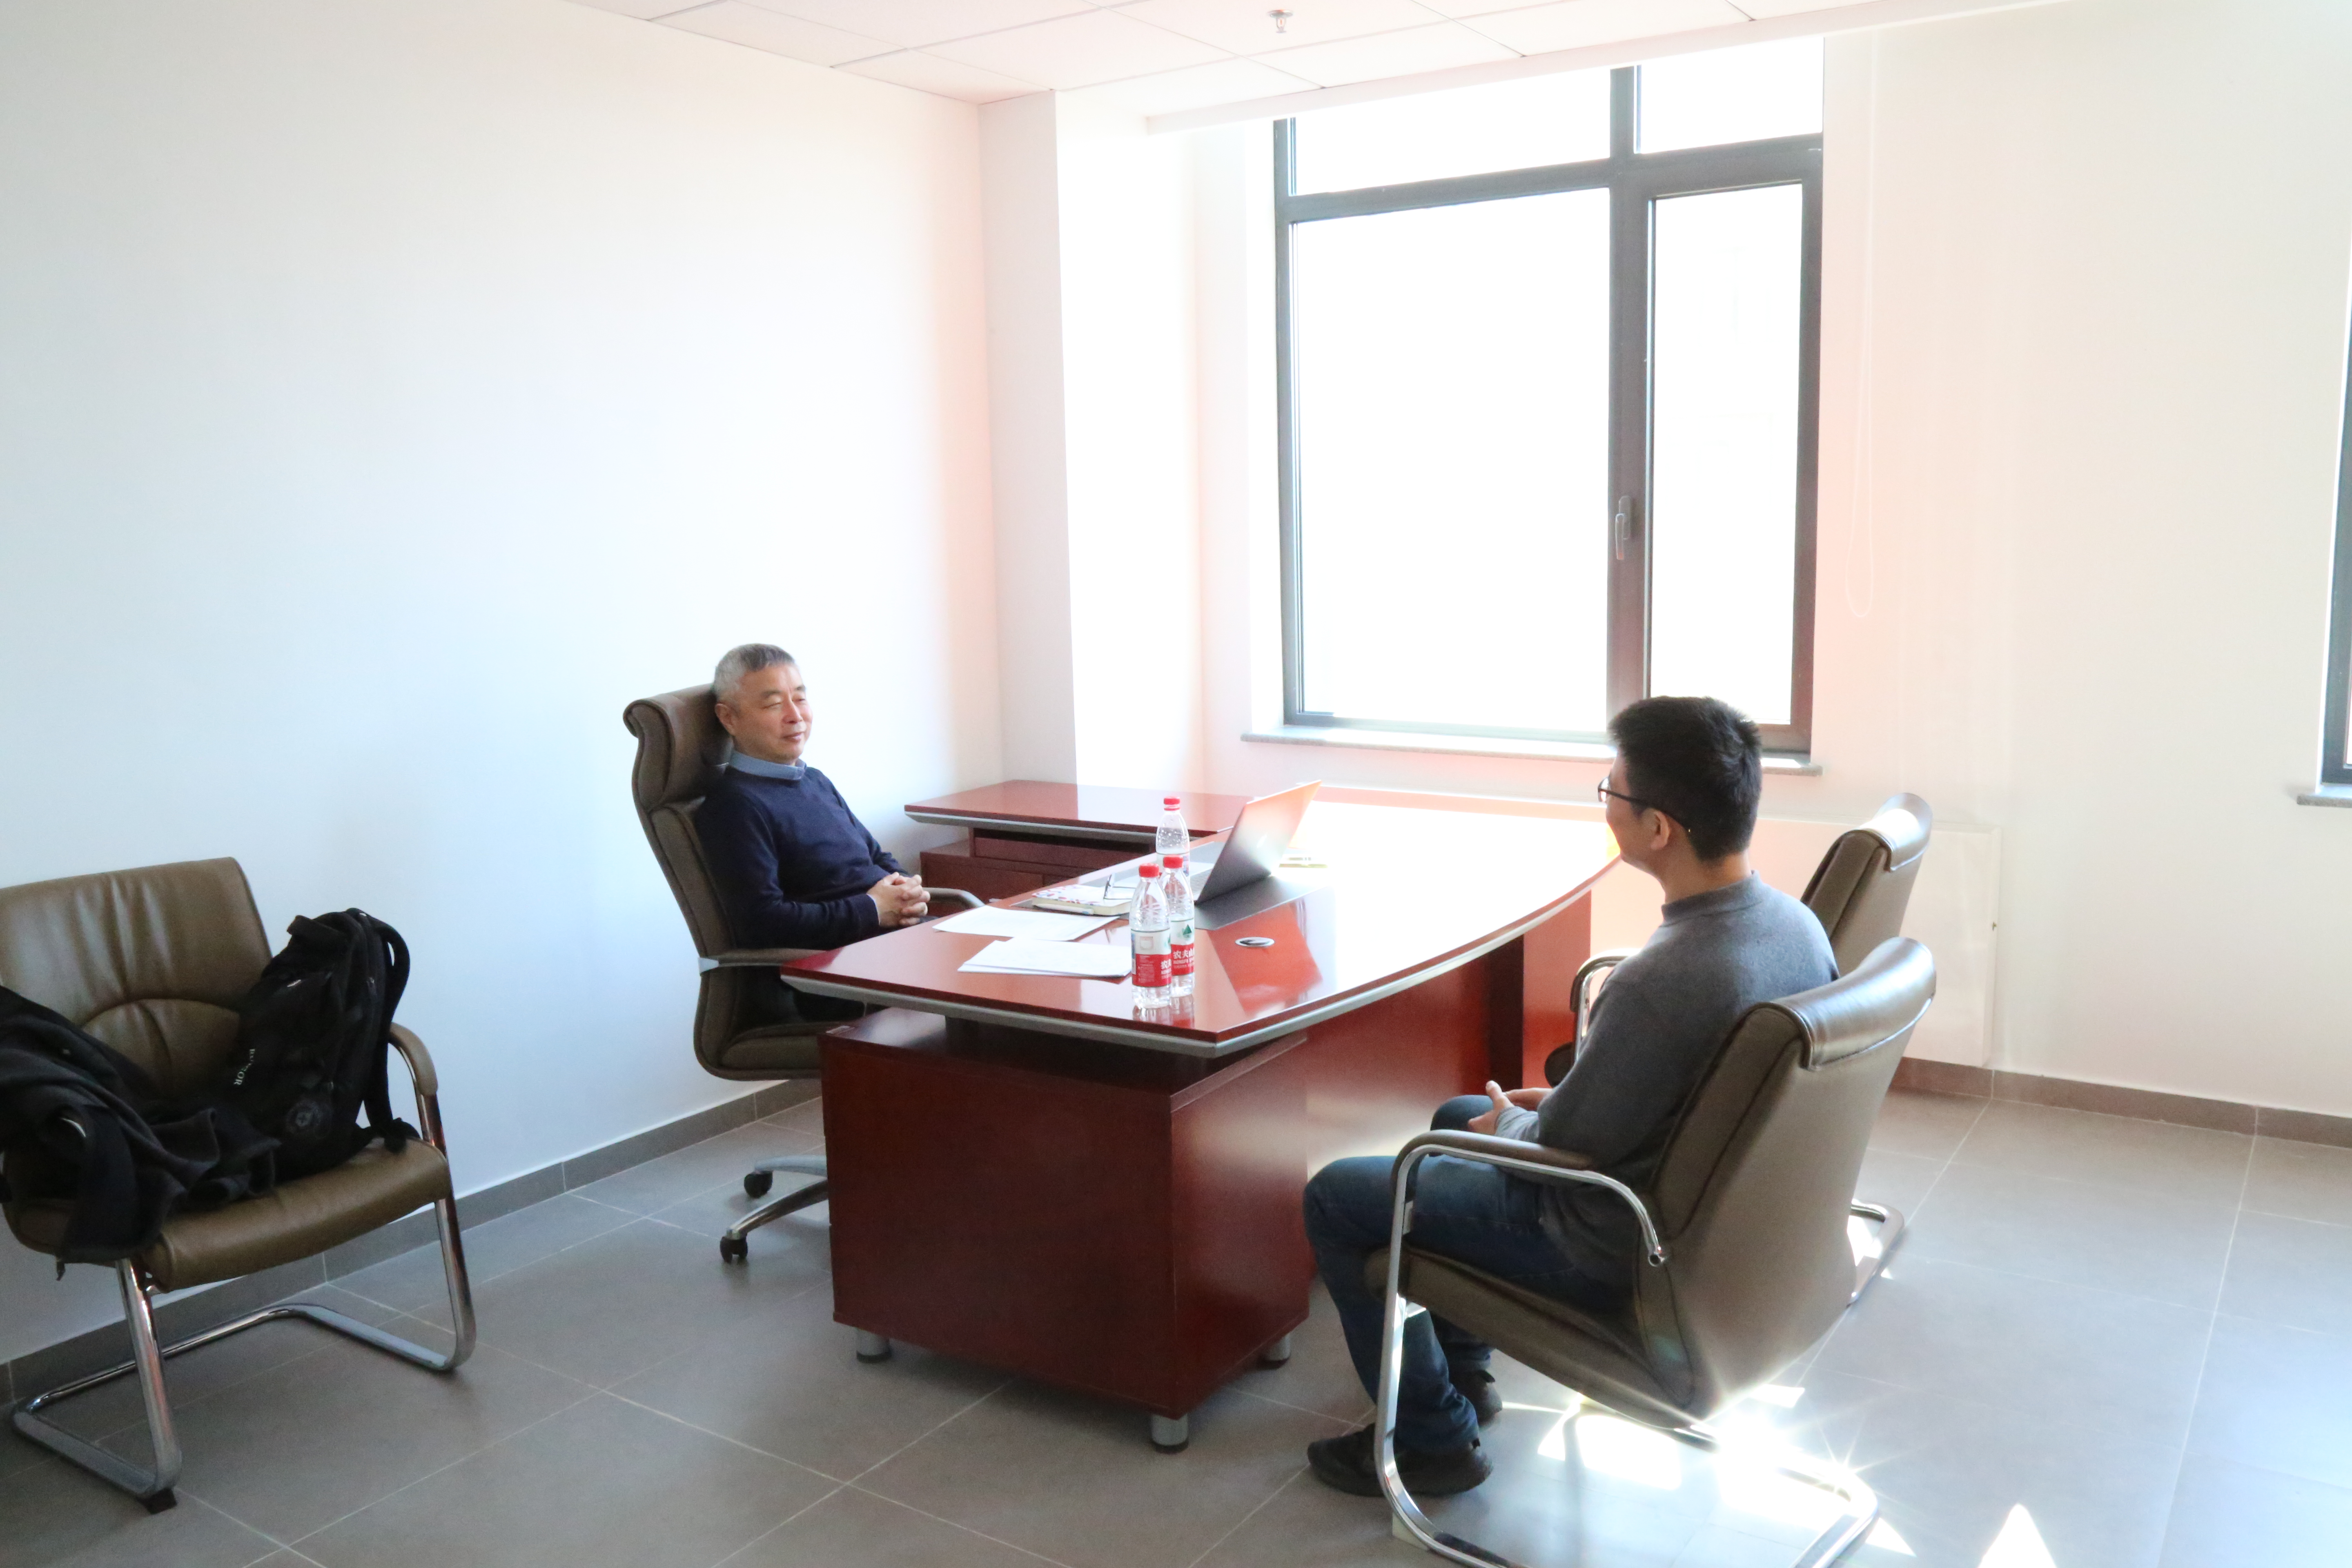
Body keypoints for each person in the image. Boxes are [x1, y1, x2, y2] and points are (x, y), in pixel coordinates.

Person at [1299, 696, 1838, 1498]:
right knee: (1456, 1117)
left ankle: (1432, 1443)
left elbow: (1566, 1147)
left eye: (1613, 791)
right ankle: (1466, 1378)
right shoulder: (1795, 927)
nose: (1607, 805)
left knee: (1339, 1196)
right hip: (1712, 1217)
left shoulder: (1663, 981)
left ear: (1659, 828)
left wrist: (1518, 1121)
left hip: (1605, 1234)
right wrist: (1531, 1111)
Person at [695, 644, 929, 1022]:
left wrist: (906, 890)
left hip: (893, 945)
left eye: (800, 698)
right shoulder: (735, 806)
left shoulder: (814, 780)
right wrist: (872, 909)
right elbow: (762, 922)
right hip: (840, 972)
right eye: (774, 704)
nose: (795, 716)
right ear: (729, 718)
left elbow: (874, 857)